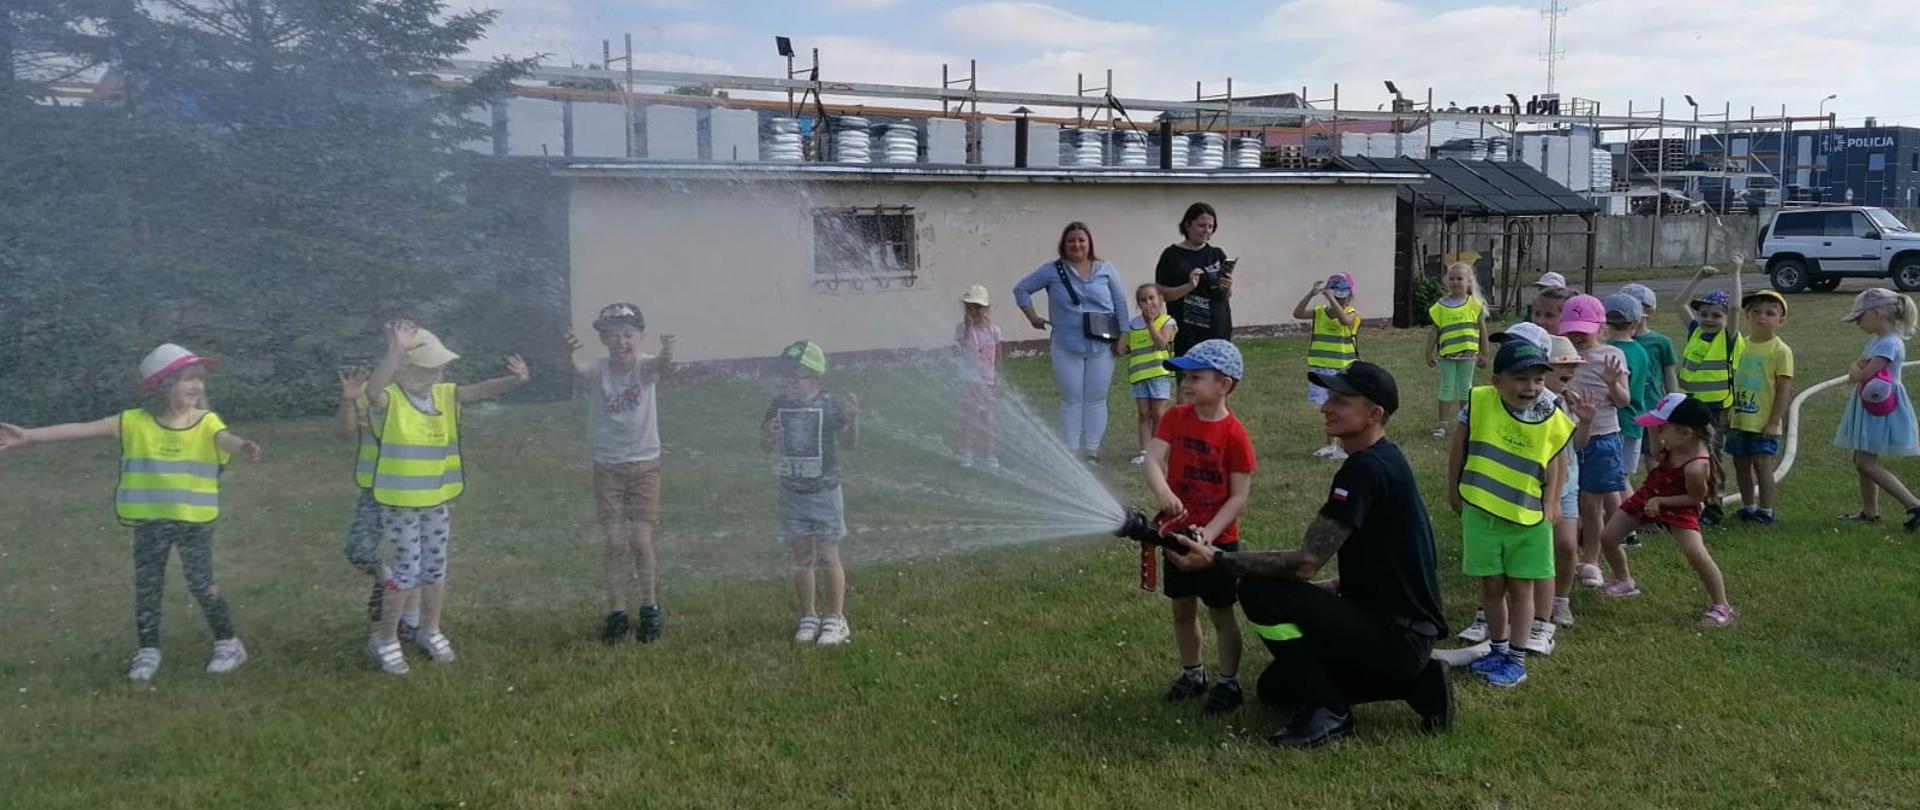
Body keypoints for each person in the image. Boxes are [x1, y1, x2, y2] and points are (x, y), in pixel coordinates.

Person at [1165, 362, 1452, 750]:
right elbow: (1385, 561)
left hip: (1396, 637)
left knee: (1259, 592)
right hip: (1401, 632)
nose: (1326, 407)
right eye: (1328, 397)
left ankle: (1330, 711)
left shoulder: (1364, 471)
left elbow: (1305, 562)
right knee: (1276, 688)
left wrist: (1217, 560)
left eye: (1341, 400)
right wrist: (1324, 593)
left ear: (1374, 414)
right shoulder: (1385, 460)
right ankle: (1421, 682)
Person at [0, 343, 263, 681]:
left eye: (199, 379)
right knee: (148, 585)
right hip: (151, 521)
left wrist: (242, 446)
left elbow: (225, 439)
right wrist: (29, 437)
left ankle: (229, 643)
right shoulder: (133, 422)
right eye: (187, 379)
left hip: (194, 521)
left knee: (201, 582)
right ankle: (148, 650)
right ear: (163, 385)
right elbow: (82, 429)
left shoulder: (206, 421)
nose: (197, 386)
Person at [362, 321, 530, 675]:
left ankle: (430, 629)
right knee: (405, 571)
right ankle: (387, 640)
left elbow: (479, 390)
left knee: (435, 568)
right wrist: (394, 351)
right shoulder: (390, 398)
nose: (436, 374)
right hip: (400, 503)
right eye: (427, 368)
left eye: (439, 367)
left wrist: (514, 381)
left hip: (436, 499)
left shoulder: (443, 395)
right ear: (404, 369)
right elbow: (372, 390)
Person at [1446, 341, 1573, 688]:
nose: (1530, 388)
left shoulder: (1550, 414)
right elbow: (1461, 445)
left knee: (1521, 589)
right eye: (1520, 379)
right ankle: (1498, 649)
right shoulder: (1480, 402)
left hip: (1527, 518)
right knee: (1490, 586)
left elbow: (1556, 460)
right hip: (1482, 512)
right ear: (1497, 381)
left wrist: (1551, 503)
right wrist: (1453, 486)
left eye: (1537, 380)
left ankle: (1516, 658)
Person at [1143, 340, 1254, 715]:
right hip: (1178, 533)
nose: (1185, 384)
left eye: (1195, 377)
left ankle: (1228, 682)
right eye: (1183, 376)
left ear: (1224, 384)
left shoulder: (1235, 435)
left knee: (1221, 611)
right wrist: (1163, 492)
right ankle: (1193, 674)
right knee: (1181, 609)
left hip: (1218, 540)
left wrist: (1209, 533)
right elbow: (1153, 460)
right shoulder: (1175, 417)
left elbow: (1238, 497)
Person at [568, 303, 675, 644]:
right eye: (613, 335)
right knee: (614, 543)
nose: (621, 342)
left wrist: (667, 351)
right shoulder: (599, 369)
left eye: (628, 335)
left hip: (646, 466)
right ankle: (617, 612)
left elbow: (661, 366)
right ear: (603, 339)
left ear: (640, 337)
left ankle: (649, 607)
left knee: (641, 542)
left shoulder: (645, 366)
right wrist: (567, 353)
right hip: (608, 468)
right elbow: (577, 371)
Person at [1597, 394, 1736, 627]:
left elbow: (1694, 497)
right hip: (1651, 496)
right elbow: (1657, 455)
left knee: (1696, 554)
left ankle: (1722, 605)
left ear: (1685, 433)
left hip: (1678, 506)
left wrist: (1662, 502)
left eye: (1662, 428)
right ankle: (1624, 581)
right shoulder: (1675, 443)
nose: (1658, 433)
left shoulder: (1696, 466)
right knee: (1608, 537)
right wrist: (1653, 433)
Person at [763, 341, 861, 646]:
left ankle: (835, 619)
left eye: (797, 376)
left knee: (828, 557)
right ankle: (808, 615)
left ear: (816, 377)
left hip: (825, 494)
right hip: (791, 493)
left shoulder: (830, 405)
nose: (790, 382)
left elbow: (848, 445)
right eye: (786, 376)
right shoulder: (779, 404)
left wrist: (853, 419)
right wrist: (767, 437)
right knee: (801, 557)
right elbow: (764, 446)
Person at [1014, 221, 1128, 464]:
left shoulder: (1106, 269)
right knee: (1072, 399)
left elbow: (1120, 304)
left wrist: (1123, 337)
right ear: (1064, 245)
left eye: (1081, 240)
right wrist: (1032, 317)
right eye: (1071, 241)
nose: (1077, 245)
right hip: (1066, 345)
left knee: (1096, 398)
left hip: (1102, 345)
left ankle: (1092, 450)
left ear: (1089, 244)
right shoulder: (1052, 271)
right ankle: (1072, 449)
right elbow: (1021, 289)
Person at [337, 365, 417, 641]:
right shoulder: (367, 393)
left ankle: (408, 623)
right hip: (374, 489)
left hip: (410, 488)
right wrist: (348, 402)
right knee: (358, 549)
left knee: (409, 555)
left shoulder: (417, 395)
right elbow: (345, 433)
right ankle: (387, 581)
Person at [1834, 288, 1920, 529]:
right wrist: (1859, 368)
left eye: (1860, 317)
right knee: (1861, 457)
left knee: (1865, 463)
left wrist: (1854, 369)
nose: (1857, 323)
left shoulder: (1888, 344)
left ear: (1878, 313)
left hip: (1881, 408)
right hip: (1870, 403)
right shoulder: (1878, 341)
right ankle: (1870, 511)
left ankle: (1914, 505)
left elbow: (1863, 374)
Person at [1676, 266, 1744, 525]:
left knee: (1711, 457)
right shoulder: (1696, 331)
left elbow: (1736, 308)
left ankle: (1714, 506)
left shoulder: (1727, 338)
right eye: (1704, 314)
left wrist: (1735, 271)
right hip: (1692, 407)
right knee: (1690, 455)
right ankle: (1693, 501)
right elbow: (1680, 303)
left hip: (1716, 409)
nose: (1708, 319)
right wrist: (1699, 277)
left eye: (1716, 315)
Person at [1729, 290, 1793, 526]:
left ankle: (1766, 511)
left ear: (1780, 320)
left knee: (1762, 463)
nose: (1761, 317)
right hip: (1739, 418)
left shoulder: (1780, 350)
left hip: (1764, 419)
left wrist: (1774, 421)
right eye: (1755, 311)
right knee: (1740, 462)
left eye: (1770, 313)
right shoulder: (1740, 345)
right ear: (1747, 315)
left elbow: (1784, 389)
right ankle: (1749, 507)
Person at [1295, 273, 1361, 460]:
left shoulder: (1352, 313)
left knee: (1344, 408)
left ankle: (1344, 446)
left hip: (1343, 369)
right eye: (1336, 296)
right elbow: (1298, 313)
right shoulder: (1320, 313)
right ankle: (1331, 445)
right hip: (1321, 368)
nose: (1340, 300)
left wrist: (1331, 298)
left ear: (1350, 296)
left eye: (1343, 296)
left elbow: (1344, 321)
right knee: (1329, 408)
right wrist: (1310, 294)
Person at [1155, 202, 1233, 356]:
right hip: (1188, 335)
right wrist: (1189, 286)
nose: (1207, 230)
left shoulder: (1217, 254)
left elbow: (1224, 297)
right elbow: (1161, 294)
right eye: (1201, 225)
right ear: (1187, 224)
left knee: (1216, 378)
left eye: (1211, 227)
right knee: (1190, 378)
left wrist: (1227, 287)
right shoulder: (1171, 256)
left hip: (1218, 332)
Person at [1620, 282, 1680, 473]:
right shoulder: (1616, 342)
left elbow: (1669, 374)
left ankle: (1656, 493)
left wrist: (1673, 405)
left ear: (1649, 311)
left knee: (1654, 456)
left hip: (1653, 408)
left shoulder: (1661, 342)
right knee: (1623, 460)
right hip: (1627, 410)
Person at [1426, 262, 1490, 439]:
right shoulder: (1440, 307)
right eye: (1451, 279)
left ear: (1468, 282)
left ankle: (1466, 422)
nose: (1455, 282)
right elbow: (1434, 331)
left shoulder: (1475, 305)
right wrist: (1428, 352)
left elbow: (1482, 331)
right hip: (1447, 355)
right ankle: (1442, 424)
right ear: (1447, 281)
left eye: (1459, 279)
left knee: (1465, 388)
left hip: (1468, 356)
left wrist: (1485, 353)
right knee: (1446, 387)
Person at [1603, 294, 1658, 477]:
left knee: (1613, 477)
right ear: (1634, 324)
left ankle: (1628, 506)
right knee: (1621, 476)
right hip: (1635, 420)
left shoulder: (1609, 352)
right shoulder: (1641, 351)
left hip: (1616, 422)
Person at [1125, 283, 1176, 466]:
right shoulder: (1132, 324)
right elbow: (1124, 348)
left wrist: (1149, 323)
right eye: (1143, 300)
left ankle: (1159, 450)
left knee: (1158, 414)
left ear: (1160, 299)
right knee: (1143, 414)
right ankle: (1145, 452)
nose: (1148, 303)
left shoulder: (1167, 321)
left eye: (1151, 298)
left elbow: (1162, 343)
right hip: (1139, 375)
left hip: (1159, 373)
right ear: (1138, 303)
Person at [955, 285, 1002, 469]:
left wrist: (997, 377)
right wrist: (967, 328)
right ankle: (967, 452)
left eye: (978, 307)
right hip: (969, 380)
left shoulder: (994, 331)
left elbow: (998, 355)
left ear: (986, 308)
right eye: (970, 307)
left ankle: (991, 454)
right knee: (969, 417)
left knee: (988, 418)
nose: (974, 311)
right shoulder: (961, 329)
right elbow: (963, 349)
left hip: (987, 381)